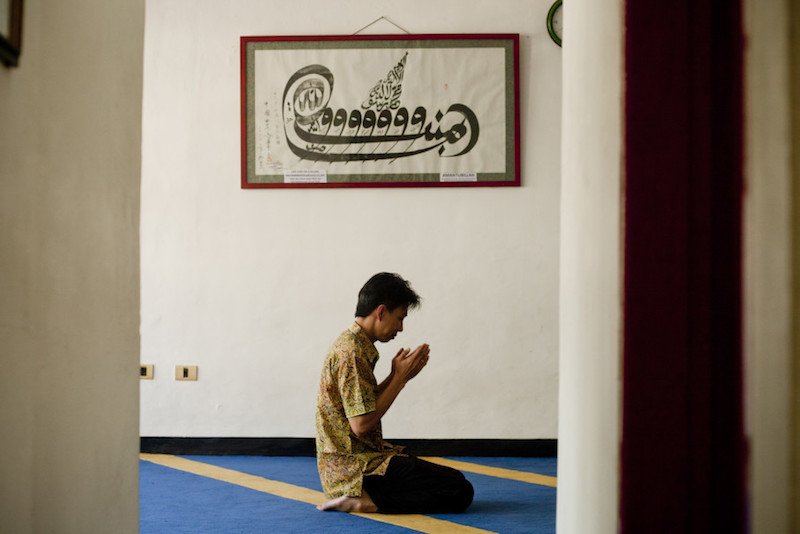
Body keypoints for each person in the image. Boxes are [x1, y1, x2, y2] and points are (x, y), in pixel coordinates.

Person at [315, 272, 474, 514]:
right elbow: (360, 425)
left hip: (354, 463)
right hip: (357, 471)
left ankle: (367, 496)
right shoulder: (352, 353)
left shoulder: (354, 344)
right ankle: (365, 501)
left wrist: (393, 376)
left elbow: (359, 405)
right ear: (381, 312)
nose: (400, 328)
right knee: (460, 491)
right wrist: (400, 380)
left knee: (455, 478)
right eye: (399, 318)